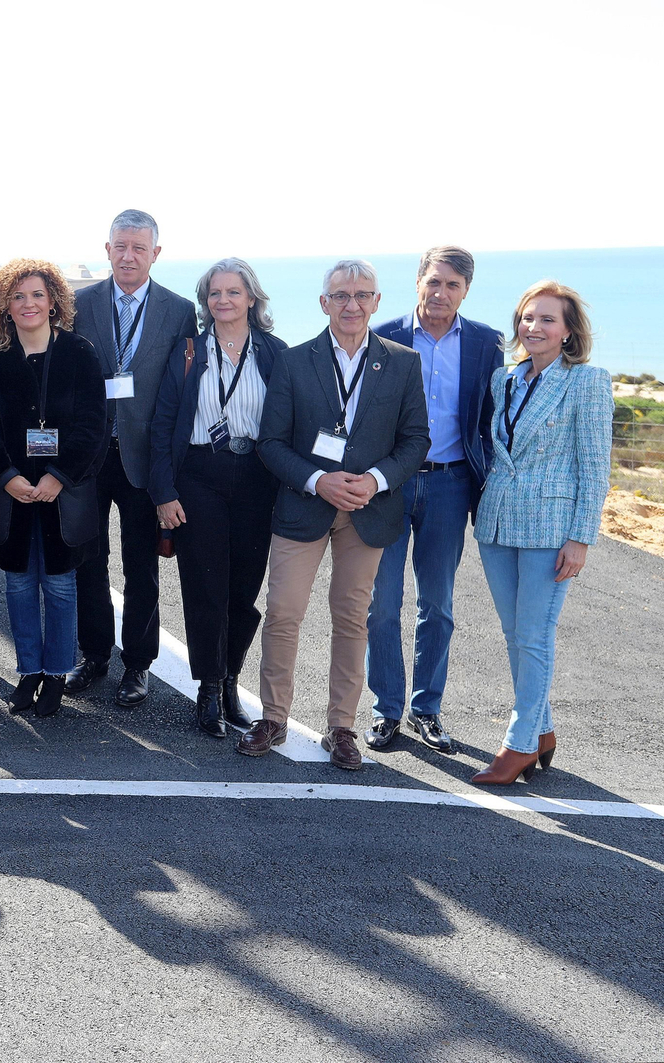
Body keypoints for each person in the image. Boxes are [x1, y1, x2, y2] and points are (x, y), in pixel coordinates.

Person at [241, 260, 429, 770]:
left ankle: (342, 728)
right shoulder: (295, 361)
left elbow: (416, 442)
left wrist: (373, 481)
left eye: (362, 295)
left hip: (369, 510)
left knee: (352, 620)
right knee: (283, 612)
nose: (352, 304)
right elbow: (271, 442)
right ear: (323, 303)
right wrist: (317, 480)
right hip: (304, 506)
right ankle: (273, 718)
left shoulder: (403, 363)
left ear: (377, 302)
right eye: (341, 295)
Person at [471, 282, 611, 785]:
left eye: (548, 320)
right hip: (497, 522)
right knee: (515, 635)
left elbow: (594, 467)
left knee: (533, 636)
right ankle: (544, 728)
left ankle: (520, 743)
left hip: (552, 530)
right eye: (528, 318)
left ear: (569, 331)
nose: (534, 327)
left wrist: (581, 537)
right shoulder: (502, 379)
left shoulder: (587, 382)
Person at [365, 247, 504, 755]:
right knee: (381, 604)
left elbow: (490, 419)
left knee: (438, 606)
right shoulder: (386, 336)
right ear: (418, 282)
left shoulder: (487, 342)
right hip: (389, 486)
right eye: (433, 282)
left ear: (465, 290)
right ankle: (386, 711)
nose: (440, 293)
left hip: (450, 485)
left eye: (452, 285)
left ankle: (427, 710)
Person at [148, 259, 288, 737]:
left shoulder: (274, 352)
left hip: (256, 477)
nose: (223, 300)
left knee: (244, 593)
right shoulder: (187, 351)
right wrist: (163, 493)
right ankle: (207, 689)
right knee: (205, 586)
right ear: (205, 302)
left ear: (252, 298)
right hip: (198, 476)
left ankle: (231, 684)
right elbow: (163, 423)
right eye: (214, 293)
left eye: (234, 292)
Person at [65, 210, 198, 707]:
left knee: (142, 568)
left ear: (155, 254)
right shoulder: (79, 304)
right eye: (121, 246)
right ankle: (94, 654)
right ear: (107, 248)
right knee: (87, 560)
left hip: (146, 457)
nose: (128, 256)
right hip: (88, 456)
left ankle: (138, 665)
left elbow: (181, 391)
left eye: (139, 248)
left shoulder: (180, 310)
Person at [0, 260, 108, 718]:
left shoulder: (80, 353)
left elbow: (93, 426)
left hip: (62, 494)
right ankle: (29, 671)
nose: (29, 304)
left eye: (37, 295)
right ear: (6, 306)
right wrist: (8, 476)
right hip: (11, 492)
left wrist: (57, 477)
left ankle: (56, 673)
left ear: (54, 303)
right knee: (20, 584)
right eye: (19, 296)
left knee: (61, 586)